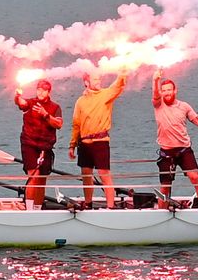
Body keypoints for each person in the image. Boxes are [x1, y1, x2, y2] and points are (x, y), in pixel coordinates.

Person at [151, 69, 198, 209]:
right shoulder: (158, 104)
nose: (166, 92)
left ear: (175, 91)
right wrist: (155, 80)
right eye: (164, 90)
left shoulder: (184, 106)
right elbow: (155, 94)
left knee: (195, 178)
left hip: (184, 150)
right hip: (166, 152)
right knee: (165, 186)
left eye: (169, 90)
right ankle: (161, 213)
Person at [69, 69, 128, 209]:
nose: (98, 82)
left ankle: (110, 206)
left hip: (100, 141)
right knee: (86, 175)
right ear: (86, 82)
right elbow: (76, 124)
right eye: (95, 80)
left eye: (99, 79)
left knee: (104, 174)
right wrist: (72, 145)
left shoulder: (105, 95)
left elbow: (117, 86)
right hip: (84, 143)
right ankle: (88, 203)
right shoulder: (80, 101)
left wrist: (122, 74)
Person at [14, 79, 63, 209]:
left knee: (41, 180)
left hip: (45, 147)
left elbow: (58, 124)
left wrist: (45, 114)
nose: (41, 92)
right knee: (33, 177)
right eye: (39, 89)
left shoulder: (55, 107)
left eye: (44, 90)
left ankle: (37, 208)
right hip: (29, 143)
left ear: (49, 91)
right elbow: (22, 103)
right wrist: (18, 95)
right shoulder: (31, 103)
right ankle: (29, 209)